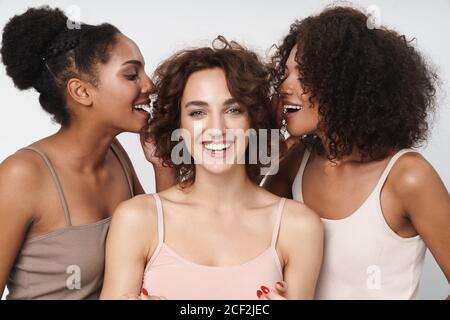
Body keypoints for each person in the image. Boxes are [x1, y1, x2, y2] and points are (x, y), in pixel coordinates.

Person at [100, 37, 323, 300]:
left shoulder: (298, 226)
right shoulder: (137, 219)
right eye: (197, 113)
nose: (217, 129)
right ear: (178, 126)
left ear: (253, 120)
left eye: (233, 110)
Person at [262, 6, 450, 299]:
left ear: (346, 82)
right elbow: (237, 231)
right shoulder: (297, 160)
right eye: (286, 73)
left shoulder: (408, 176)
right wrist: (263, 138)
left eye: (304, 74)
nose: (284, 86)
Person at [0, 6, 168, 299]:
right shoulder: (22, 175)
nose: (149, 85)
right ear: (81, 92)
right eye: (131, 75)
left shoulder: (115, 155)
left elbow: (162, 247)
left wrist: (162, 164)